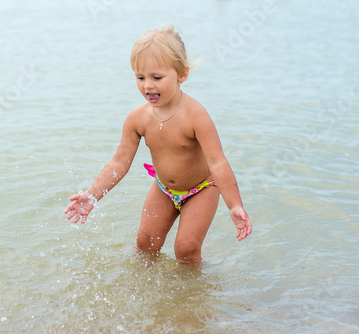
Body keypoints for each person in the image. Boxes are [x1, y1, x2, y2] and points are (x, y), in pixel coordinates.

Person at [64, 25, 252, 263]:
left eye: (157, 77)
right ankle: (147, 293)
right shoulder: (137, 118)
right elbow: (120, 161)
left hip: (202, 188)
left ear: (181, 74)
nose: (147, 86)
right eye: (140, 77)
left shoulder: (196, 116)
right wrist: (92, 195)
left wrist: (234, 205)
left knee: (186, 249)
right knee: (145, 243)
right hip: (164, 188)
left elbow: (218, 163)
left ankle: (192, 295)